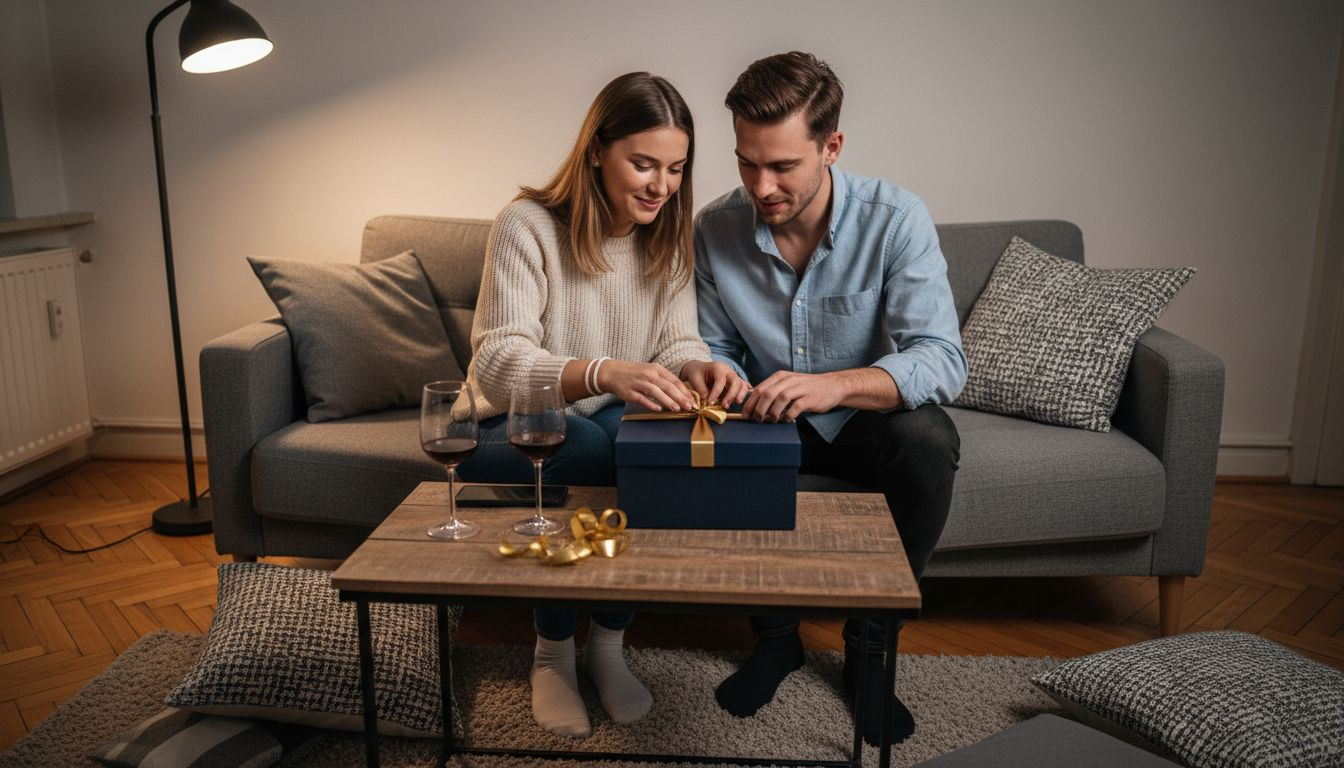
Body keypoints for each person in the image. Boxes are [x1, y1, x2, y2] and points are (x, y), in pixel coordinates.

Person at [456, 71, 743, 738]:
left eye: (675, 168)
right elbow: (495, 366)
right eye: (643, 163)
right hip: (503, 424)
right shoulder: (527, 225)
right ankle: (553, 654)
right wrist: (602, 372)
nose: (660, 185)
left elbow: (675, 340)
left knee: (649, 449)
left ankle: (608, 648)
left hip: (601, 422)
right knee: (586, 446)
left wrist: (699, 363)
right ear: (596, 150)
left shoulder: (668, 236)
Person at [693, 51, 967, 745]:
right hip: (767, 419)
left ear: (831, 146)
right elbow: (713, 345)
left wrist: (834, 385)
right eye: (746, 162)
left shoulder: (897, 218)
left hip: (866, 422)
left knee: (930, 440)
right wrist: (717, 374)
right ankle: (776, 636)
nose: (762, 184)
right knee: (700, 442)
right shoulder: (713, 229)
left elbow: (941, 359)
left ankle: (870, 650)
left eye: (782, 166)